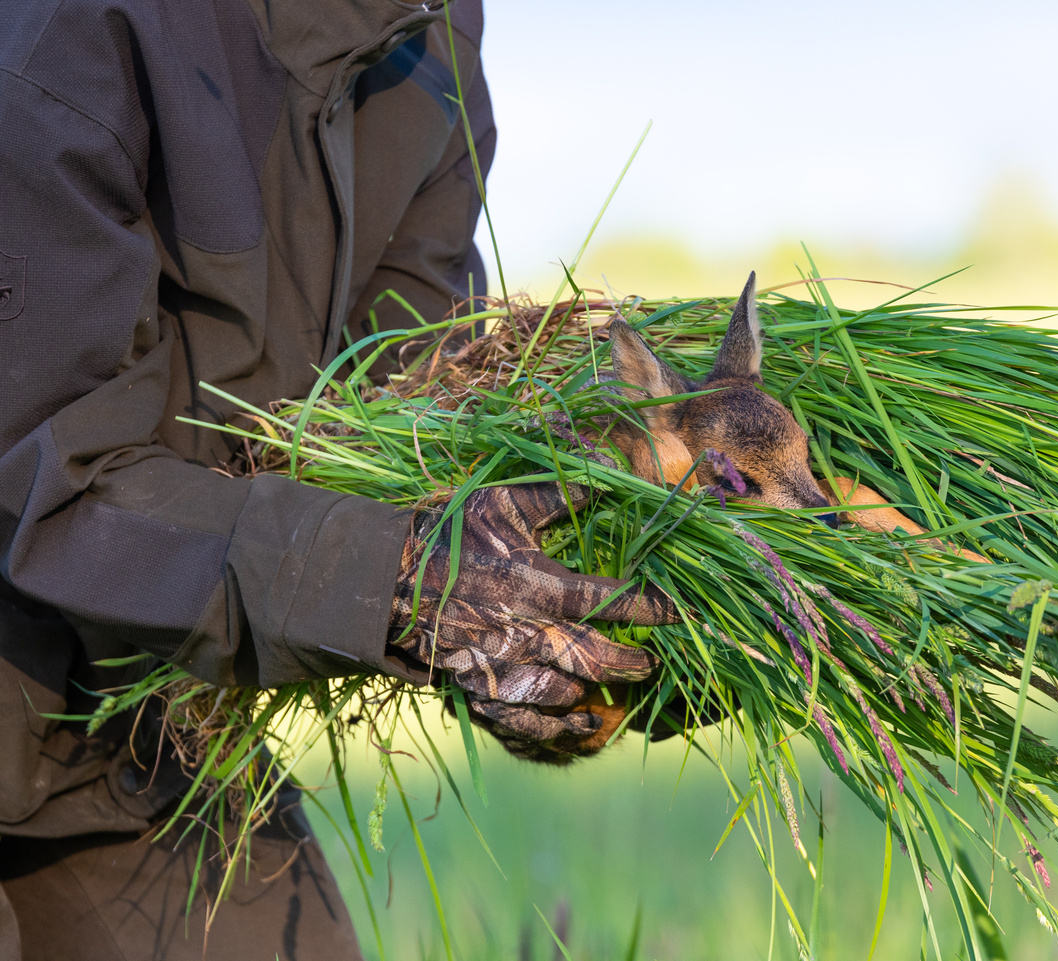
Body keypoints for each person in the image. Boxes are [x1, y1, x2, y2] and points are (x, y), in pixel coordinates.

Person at [0, 1, 674, 957]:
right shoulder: (65, 36)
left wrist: (521, 614)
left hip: (130, 711)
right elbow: (46, 474)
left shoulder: (428, 33)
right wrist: (397, 583)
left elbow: (393, 419)